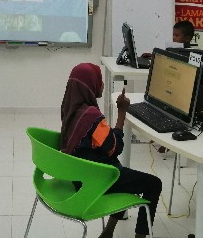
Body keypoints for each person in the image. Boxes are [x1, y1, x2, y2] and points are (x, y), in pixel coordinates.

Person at [61, 63, 162, 238]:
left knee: (121, 172)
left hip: (78, 176)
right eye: (99, 81)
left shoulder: (69, 108)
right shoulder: (91, 117)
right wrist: (122, 112)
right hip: (96, 181)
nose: (102, 85)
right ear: (90, 86)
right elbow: (115, 148)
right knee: (154, 184)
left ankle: (108, 232)